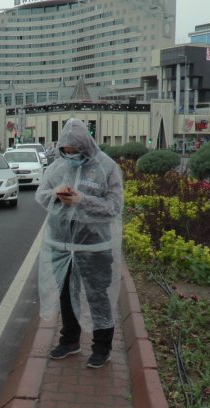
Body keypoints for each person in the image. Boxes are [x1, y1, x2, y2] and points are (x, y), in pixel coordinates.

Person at [34, 118, 124, 369]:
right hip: (61, 245)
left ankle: (101, 347)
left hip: (95, 247)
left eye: (75, 153)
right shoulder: (57, 167)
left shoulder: (108, 167)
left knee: (98, 296)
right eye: (67, 152)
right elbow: (40, 195)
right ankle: (70, 340)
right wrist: (55, 195)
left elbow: (114, 207)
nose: (71, 157)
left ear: (86, 146)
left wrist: (82, 200)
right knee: (65, 294)